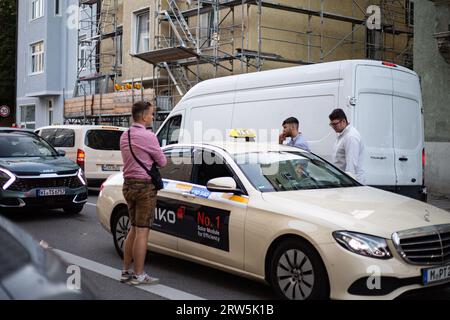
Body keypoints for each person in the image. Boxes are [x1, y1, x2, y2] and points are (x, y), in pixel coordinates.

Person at [119, 101, 167, 285]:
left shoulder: (125, 135)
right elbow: (162, 162)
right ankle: (139, 274)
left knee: (132, 228)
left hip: (128, 185)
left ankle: (125, 271)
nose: (153, 117)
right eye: (151, 114)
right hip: (145, 188)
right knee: (142, 232)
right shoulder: (149, 137)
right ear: (144, 116)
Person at [328, 108, 365, 184]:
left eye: (335, 124)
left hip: (351, 182)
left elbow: (351, 165)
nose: (333, 127)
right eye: (331, 124)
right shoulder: (343, 135)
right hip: (343, 180)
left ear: (343, 121)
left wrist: (348, 184)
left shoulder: (351, 137)